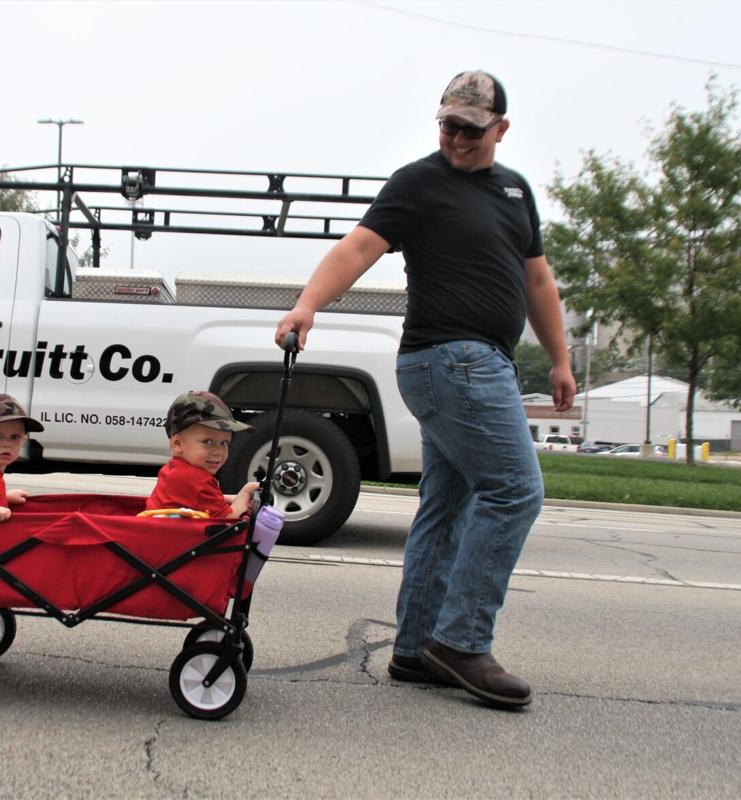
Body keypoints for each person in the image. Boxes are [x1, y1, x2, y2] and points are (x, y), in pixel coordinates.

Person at [275, 70, 576, 709]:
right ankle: (463, 640)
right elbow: (358, 247)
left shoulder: (515, 193)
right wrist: (308, 305)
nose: (457, 138)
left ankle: (416, 650)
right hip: (451, 361)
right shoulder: (418, 182)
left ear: (501, 128)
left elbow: (539, 283)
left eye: (470, 128)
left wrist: (560, 359)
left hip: (482, 363)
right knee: (516, 491)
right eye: (448, 124)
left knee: (447, 506)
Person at [146, 391, 260, 519]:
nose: (218, 451)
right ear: (177, 444)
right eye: (208, 442)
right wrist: (246, 492)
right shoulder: (198, 481)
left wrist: (233, 499)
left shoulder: (174, 469)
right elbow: (229, 519)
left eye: (224, 443)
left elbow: (199, 499)